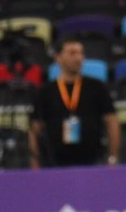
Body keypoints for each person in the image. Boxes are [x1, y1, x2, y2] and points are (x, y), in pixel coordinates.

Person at [31, 37, 120, 168]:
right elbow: (35, 129)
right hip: (54, 163)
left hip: (92, 161)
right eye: (72, 53)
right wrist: (34, 162)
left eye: (81, 53)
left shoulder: (97, 87)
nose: (78, 58)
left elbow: (112, 122)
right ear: (58, 58)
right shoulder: (46, 91)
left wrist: (113, 158)